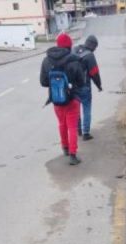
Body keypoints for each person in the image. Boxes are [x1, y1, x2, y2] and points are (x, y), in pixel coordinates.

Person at [40, 33, 86, 165]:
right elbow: (81, 82)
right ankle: (73, 155)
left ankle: (65, 148)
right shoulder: (74, 60)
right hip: (73, 99)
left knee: (62, 124)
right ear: (69, 46)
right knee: (72, 126)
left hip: (56, 99)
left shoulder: (47, 60)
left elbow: (43, 82)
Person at [73, 35, 102, 141]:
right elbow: (94, 73)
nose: (95, 50)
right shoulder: (89, 56)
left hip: (73, 87)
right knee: (86, 108)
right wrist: (99, 85)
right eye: (95, 47)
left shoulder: (74, 50)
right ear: (92, 45)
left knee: (76, 108)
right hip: (85, 87)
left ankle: (78, 129)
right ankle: (86, 133)